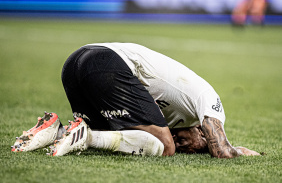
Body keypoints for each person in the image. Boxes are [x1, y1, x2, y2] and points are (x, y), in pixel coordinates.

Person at [11, 43, 260, 158]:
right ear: (202, 133)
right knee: (164, 147)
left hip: (75, 62)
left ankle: (57, 131)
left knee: (116, 133)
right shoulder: (209, 100)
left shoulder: (176, 114)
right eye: (190, 143)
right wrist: (240, 151)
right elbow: (222, 151)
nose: (182, 144)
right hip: (104, 63)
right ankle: (85, 138)